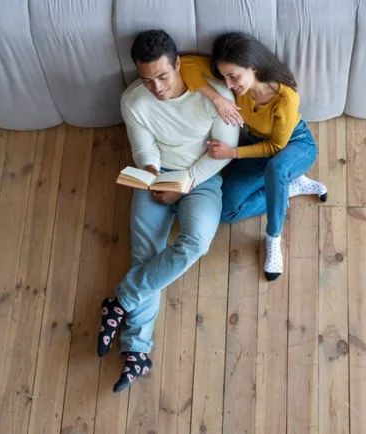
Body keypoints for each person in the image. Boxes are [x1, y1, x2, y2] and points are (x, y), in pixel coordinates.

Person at [96, 29, 240, 392]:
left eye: (163, 76)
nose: (157, 88)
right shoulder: (133, 101)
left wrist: (186, 184)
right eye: (147, 80)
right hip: (158, 181)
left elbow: (220, 153)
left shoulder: (216, 97)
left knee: (195, 243)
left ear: (179, 64)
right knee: (145, 254)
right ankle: (136, 352)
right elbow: (144, 150)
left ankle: (121, 301)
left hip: (202, 181)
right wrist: (154, 176)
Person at [179, 32, 327, 281]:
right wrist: (217, 99)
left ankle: (273, 239)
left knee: (277, 169)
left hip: (294, 146)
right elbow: (187, 65)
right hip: (257, 148)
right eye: (224, 77)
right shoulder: (234, 83)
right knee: (225, 210)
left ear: (253, 67)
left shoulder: (286, 98)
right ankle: (286, 190)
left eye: (233, 77)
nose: (228, 84)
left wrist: (232, 153)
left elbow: (276, 146)